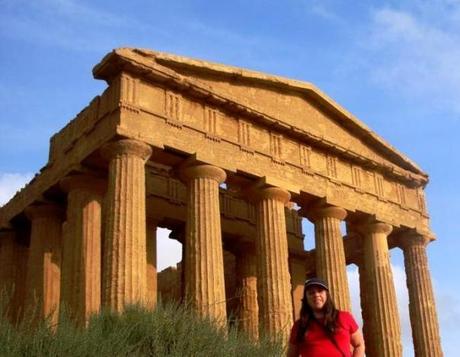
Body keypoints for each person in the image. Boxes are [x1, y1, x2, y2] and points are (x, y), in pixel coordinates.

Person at [287, 278, 365, 357]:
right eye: (311, 293)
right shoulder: (299, 326)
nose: (316, 295)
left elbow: (359, 344)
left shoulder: (344, 317)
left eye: (320, 291)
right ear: (306, 299)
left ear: (327, 295)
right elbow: (291, 355)